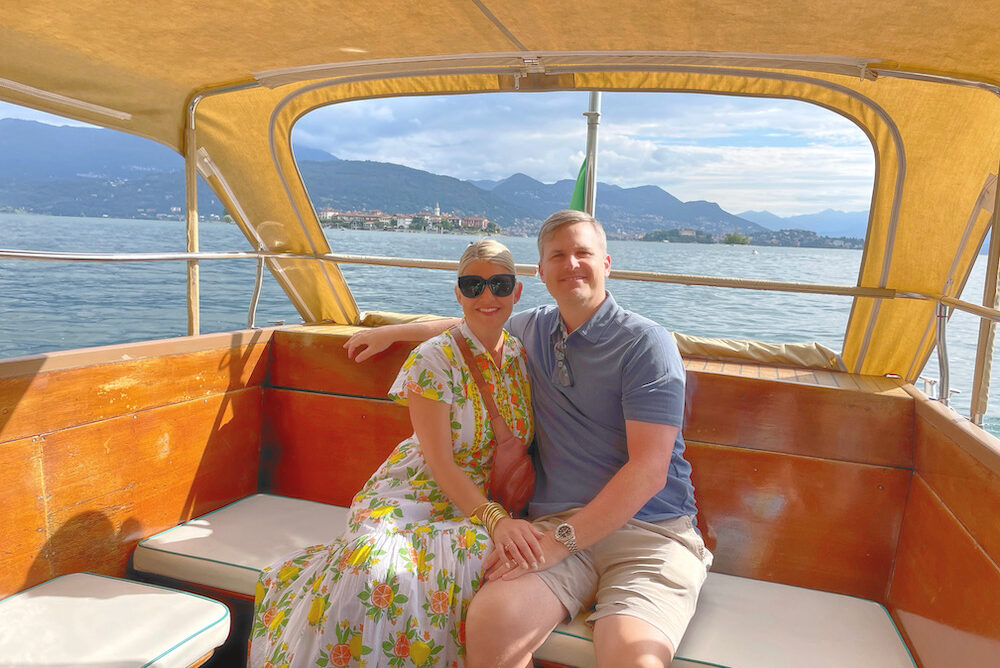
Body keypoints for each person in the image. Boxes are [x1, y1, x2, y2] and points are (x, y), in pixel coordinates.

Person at [345, 210, 712, 668]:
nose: (571, 264)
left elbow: (649, 470)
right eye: (558, 255)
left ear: (607, 263)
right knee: (493, 621)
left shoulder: (646, 345)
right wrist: (392, 332)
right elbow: (470, 325)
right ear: (540, 273)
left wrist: (562, 541)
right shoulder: (532, 329)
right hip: (554, 525)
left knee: (631, 657)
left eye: (583, 253)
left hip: (649, 533)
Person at [249, 240, 544, 668]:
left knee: (478, 560)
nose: (487, 297)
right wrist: (496, 521)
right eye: (473, 285)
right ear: (458, 292)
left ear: (517, 293)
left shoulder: (519, 354)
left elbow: (472, 326)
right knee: (374, 568)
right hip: (414, 496)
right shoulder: (434, 361)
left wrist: (394, 328)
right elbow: (440, 463)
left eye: (500, 285)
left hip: (480, 504)